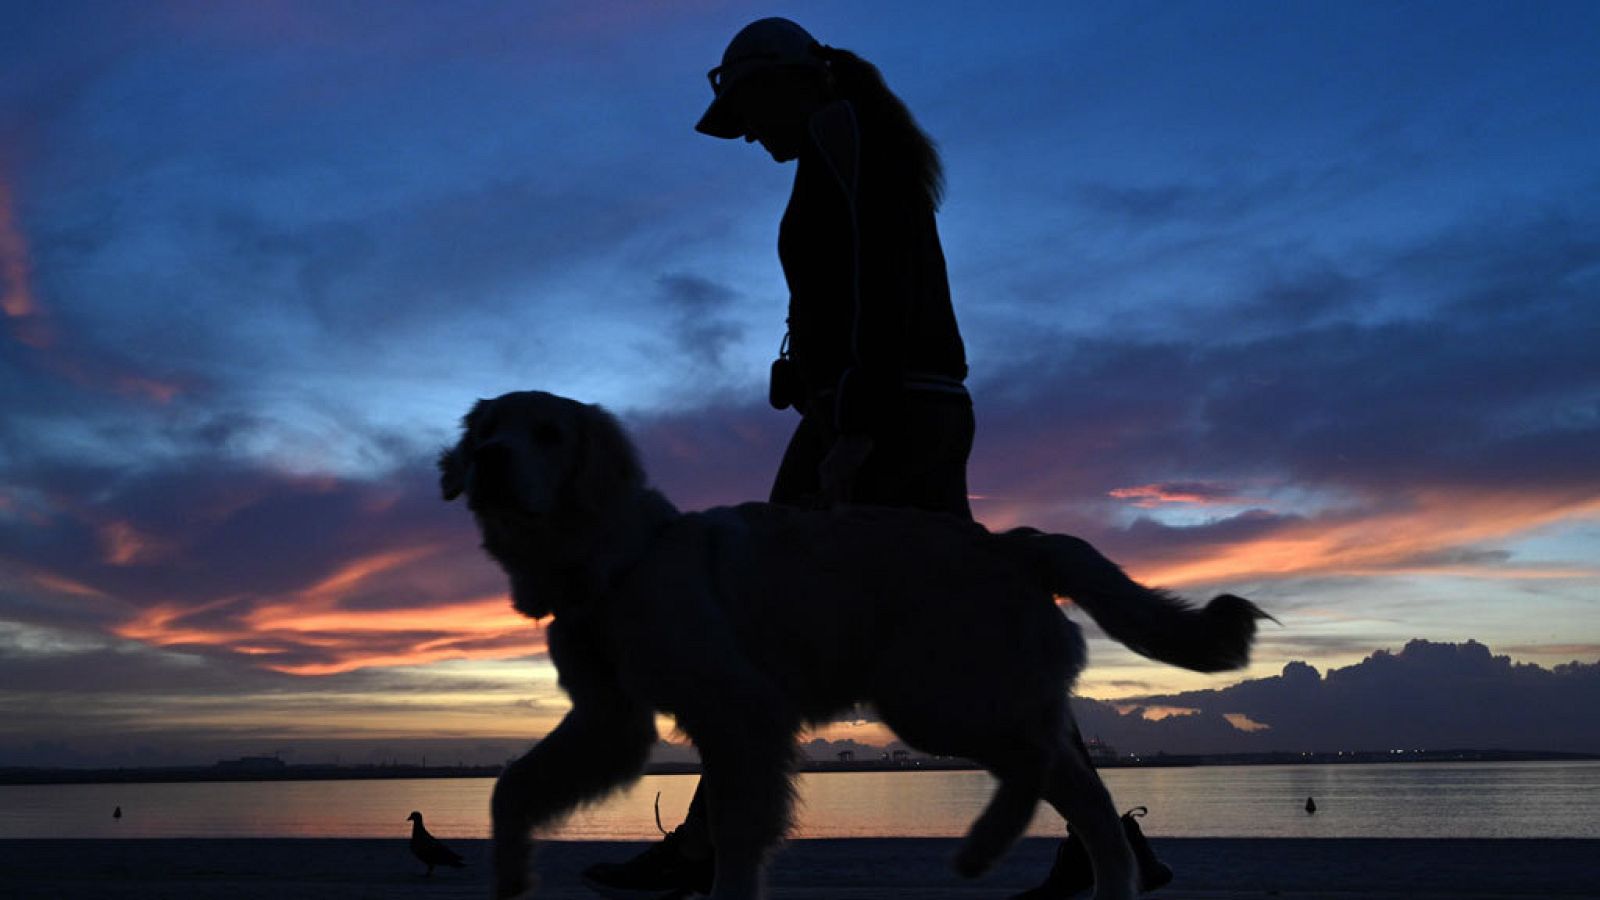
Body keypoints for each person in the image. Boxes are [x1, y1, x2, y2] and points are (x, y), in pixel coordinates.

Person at [581, 17, 1167, 899]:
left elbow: (887, 278)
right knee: (964, 618)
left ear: (794, 81)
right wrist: (814, 375)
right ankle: (1103, 842)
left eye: (751, 111)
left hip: (884, 413)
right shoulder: (841, 140)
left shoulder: (844, 133)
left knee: (766, 616)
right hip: (889, 407)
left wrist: (854, 415)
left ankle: (705, 847)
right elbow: (853, 283)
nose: (751, 136)